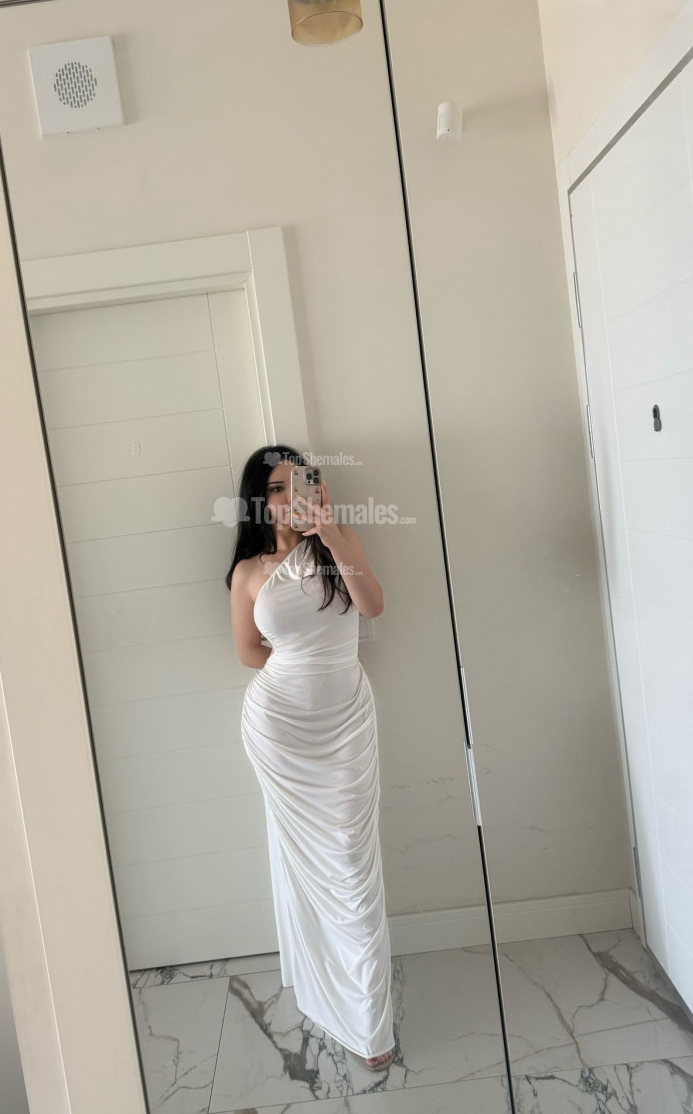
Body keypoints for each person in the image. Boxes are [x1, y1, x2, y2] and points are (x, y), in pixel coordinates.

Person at [227, 445, 396, 1072]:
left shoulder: (337, 541)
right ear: (257, 499)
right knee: (300, 856)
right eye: (274, 487)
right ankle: (326, 991)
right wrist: (301, 669)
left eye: (295, 483)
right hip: (280, 729)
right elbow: (247, 651)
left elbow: (373, 606)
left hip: (345, 721)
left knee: (350, 860)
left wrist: (327, 532)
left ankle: (365, 1015)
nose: (286, 496)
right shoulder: (248, 571)